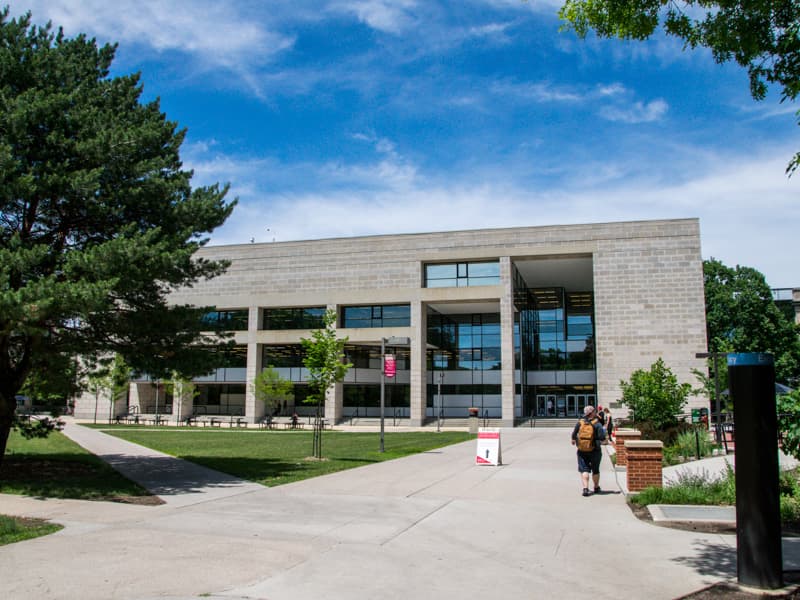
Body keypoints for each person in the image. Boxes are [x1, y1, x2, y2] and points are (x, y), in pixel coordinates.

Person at [571, 404, 606, 497]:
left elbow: (574, 434)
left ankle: (585, 488)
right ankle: (596, 487)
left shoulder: (580, 422)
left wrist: (574, 440)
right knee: (595, 469)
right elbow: (602, 437)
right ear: (592, 413)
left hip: (582, 450)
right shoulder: (597, 424)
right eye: (594, 411)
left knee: (584, 469)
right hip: (595, 450)